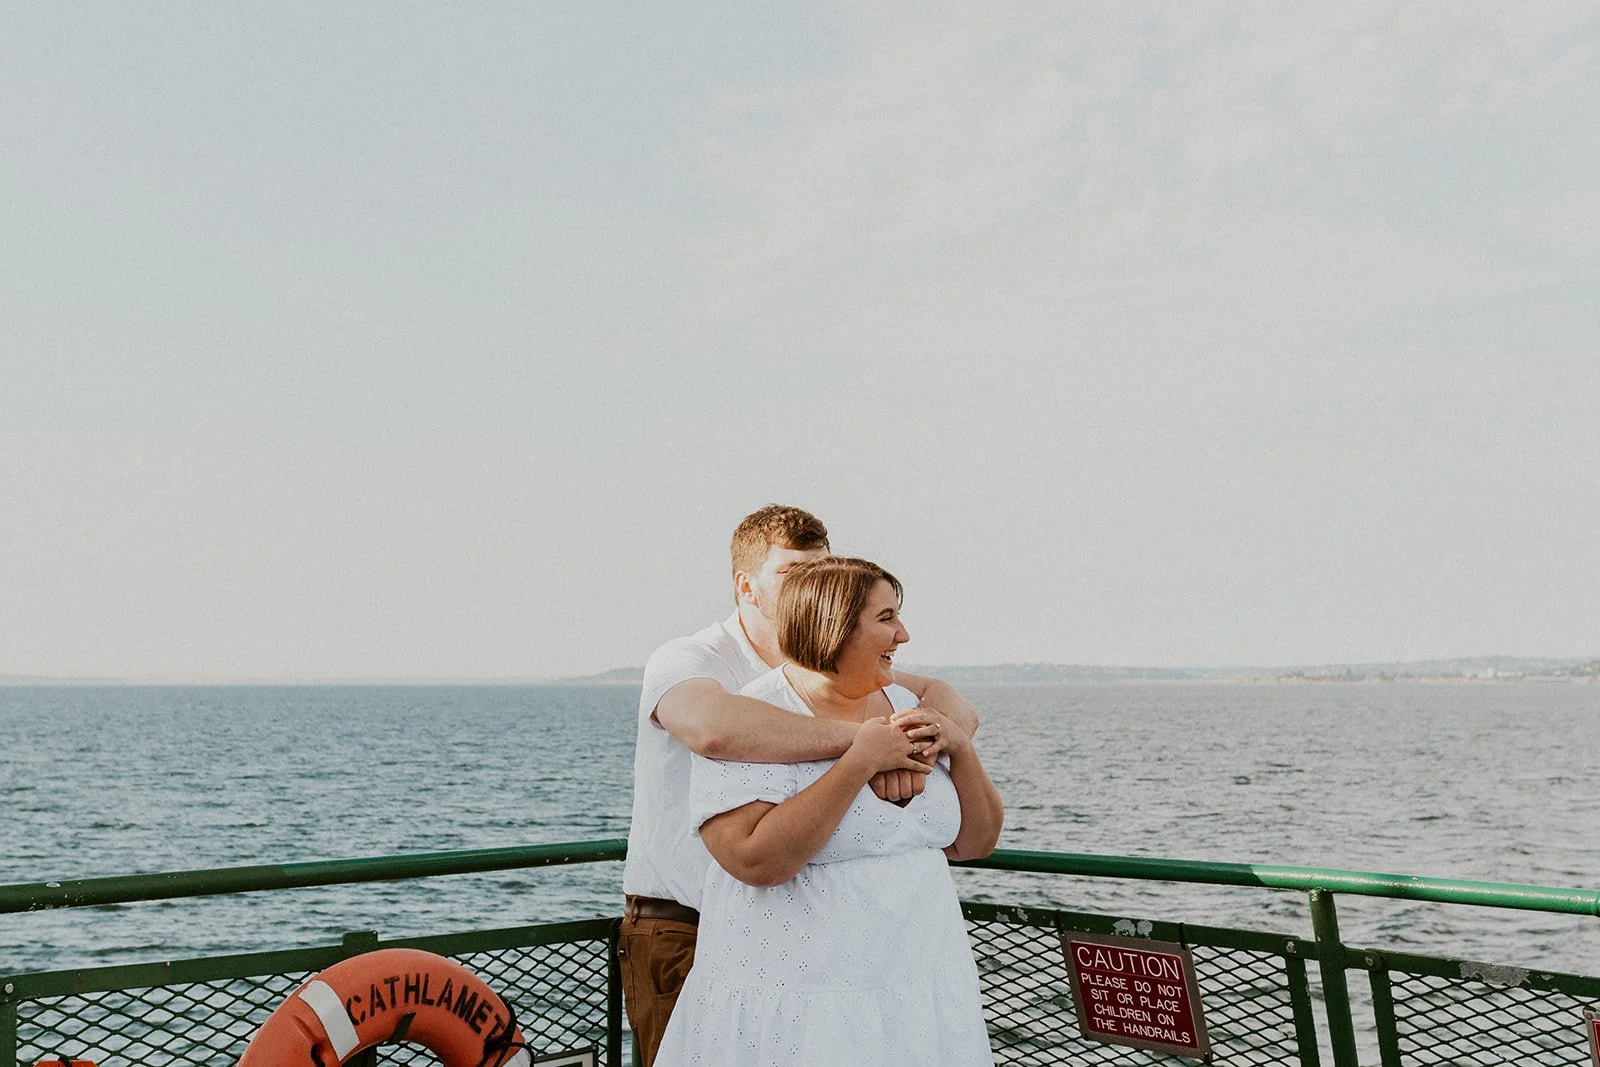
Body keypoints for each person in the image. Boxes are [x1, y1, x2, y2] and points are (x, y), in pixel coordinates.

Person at [620, 506, 980, 1065]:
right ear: (746, 586)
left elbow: (947, 699)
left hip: (821, 951)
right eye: (793, 573)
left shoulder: (833, 667)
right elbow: (715, 729)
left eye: (821, 569)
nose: (812, 583)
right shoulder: (693, 658)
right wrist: (869, 746)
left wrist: (922, 750)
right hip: (683, 920)